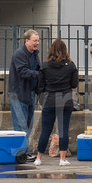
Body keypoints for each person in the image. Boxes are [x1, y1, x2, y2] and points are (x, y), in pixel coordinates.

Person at [34, 38, 79, 167]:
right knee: (63, 130)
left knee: (45, 130)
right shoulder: (71, 66)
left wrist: (41, 100)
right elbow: (74, 84)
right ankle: (62, 159)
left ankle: (39, 158)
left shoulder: (45, 66)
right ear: (65, 50)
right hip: (65, 100)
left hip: (49, 100)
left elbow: (40, 86)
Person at [8, 29, 40, 159]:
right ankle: (22, 153)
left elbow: (37, 70)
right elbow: (22, 72)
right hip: (19, 93)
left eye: (38, 41)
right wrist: (39, 74)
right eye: (34, 41)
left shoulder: (34, 54)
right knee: (21, 125)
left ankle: (24, 152)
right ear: (26, 41)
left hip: (31, 93)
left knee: (28, 124)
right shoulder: (19, 54)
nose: (37, 43)